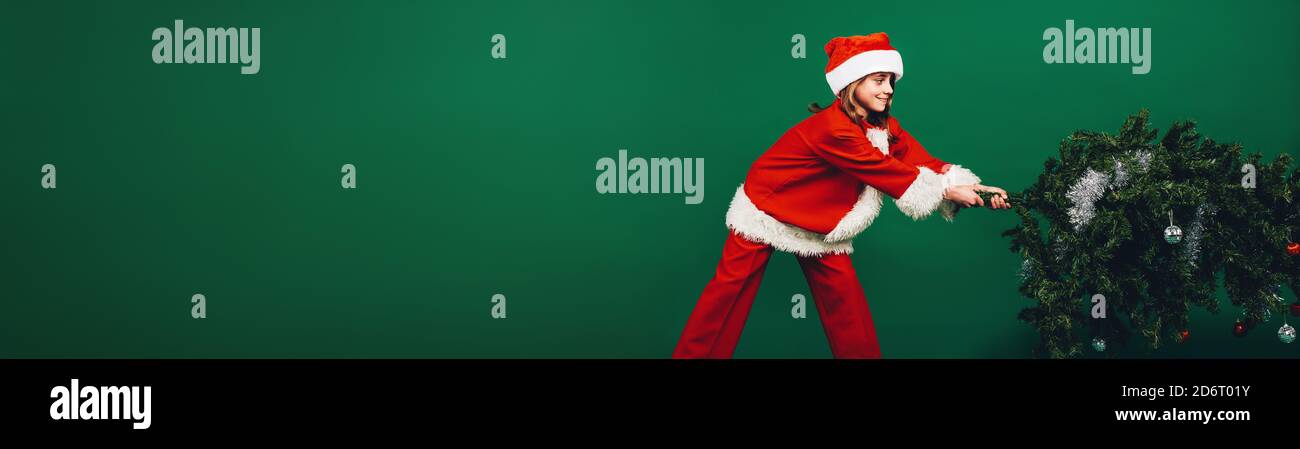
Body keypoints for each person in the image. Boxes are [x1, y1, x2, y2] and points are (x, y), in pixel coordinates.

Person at [673, 33, 1010, 359]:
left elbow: (920, 162)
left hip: (820, 219)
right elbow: (888, 172)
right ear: (853, 83)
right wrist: (949, 191)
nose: (888, 90)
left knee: (846, 306)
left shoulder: (884, 127)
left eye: (891, 81)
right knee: (728, 295)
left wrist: (972, 187)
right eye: (879, 80)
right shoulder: (833, 128)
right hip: (768, 208)